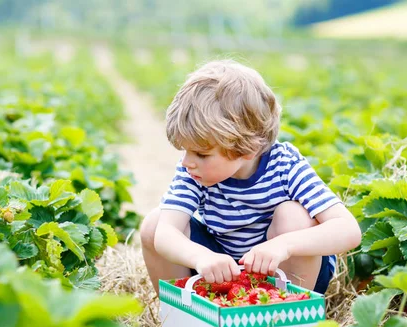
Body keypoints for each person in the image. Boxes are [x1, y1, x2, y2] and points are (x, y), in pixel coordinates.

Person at [140, 59, 361, 295]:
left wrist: (282, 246)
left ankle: (285, 316)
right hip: (224, 267)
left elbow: (348, 230)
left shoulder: (286, 166)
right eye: (185, 150)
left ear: (246, 151)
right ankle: (185, 314)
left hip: (287, 271)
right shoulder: (193, 171)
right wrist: (202, 257)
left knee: (293, 216)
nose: (187, 161)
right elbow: (165, 234)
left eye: (201, 153)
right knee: (153, 225)